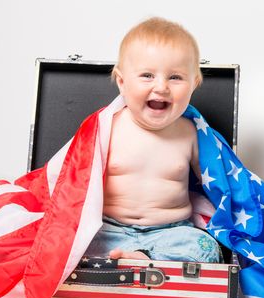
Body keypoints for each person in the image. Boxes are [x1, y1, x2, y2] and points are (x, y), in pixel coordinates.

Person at [84, 17, 222, 263]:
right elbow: (74, 180)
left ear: (194, 84)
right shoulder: (107, 127)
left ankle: (143, 257)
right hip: (109, 230)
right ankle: (132, 258)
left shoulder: (190, 134)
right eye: (147, 75)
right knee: (70, 243)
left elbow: (221, 185)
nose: (161, 87)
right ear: (122, 82)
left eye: (175, 77)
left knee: (206, 247)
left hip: (170, 233)